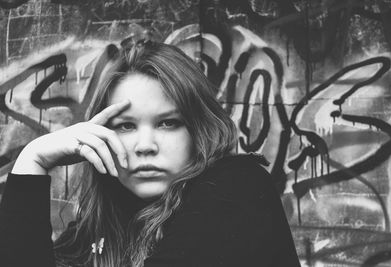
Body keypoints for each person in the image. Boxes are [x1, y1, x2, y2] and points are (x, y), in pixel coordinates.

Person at [0, 39, 300, 267]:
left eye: (168, 123)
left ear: (198, 131)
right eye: (126, 126)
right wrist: (33, 159)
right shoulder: (94, 234)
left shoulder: (238, 188)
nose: (145, 145)